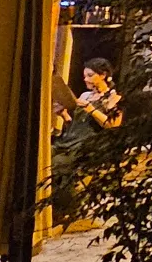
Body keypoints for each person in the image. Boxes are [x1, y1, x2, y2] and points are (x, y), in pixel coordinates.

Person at [51, 58, 122, 223]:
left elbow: (112, 124)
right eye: (85, 76)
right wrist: (64, 115)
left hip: (88, 145)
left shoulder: (113, 98)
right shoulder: (85, 95)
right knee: (42, 157)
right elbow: (76, 126)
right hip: (70, 140)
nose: (86, 79)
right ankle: (52, 208)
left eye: (90, 75)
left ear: (103, 75)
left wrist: (91, 109)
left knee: (57, 164)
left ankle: (69, 208)